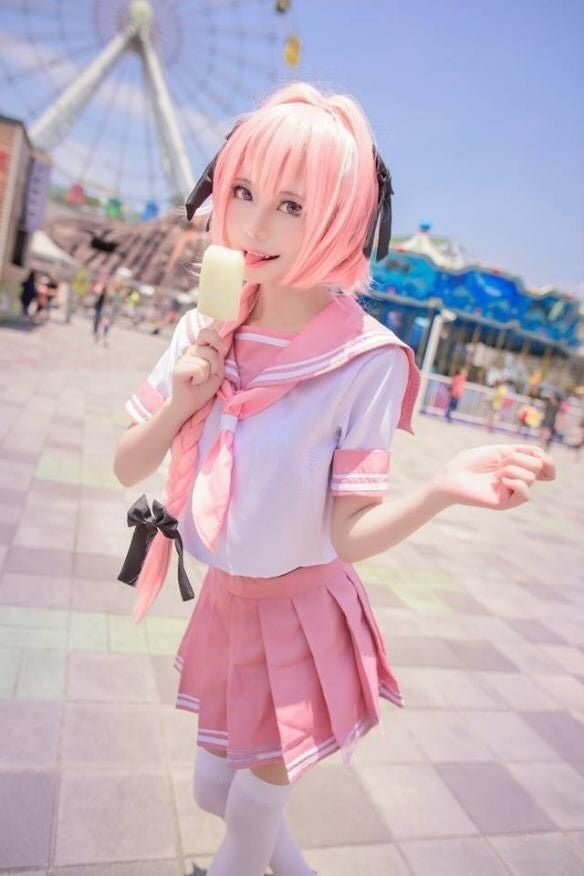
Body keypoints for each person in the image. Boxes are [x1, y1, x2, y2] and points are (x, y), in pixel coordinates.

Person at [113, 83, 555, 876]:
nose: (253, 222)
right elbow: (125, 465)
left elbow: (349, 530)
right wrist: (183, 400)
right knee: (216, 791)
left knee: (247, 815)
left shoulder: (367, 359)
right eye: (243, 189)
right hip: (226, 601)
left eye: (292, 204)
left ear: (345, 219)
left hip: (302, 613)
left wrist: (441, 488)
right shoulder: (202, 327)